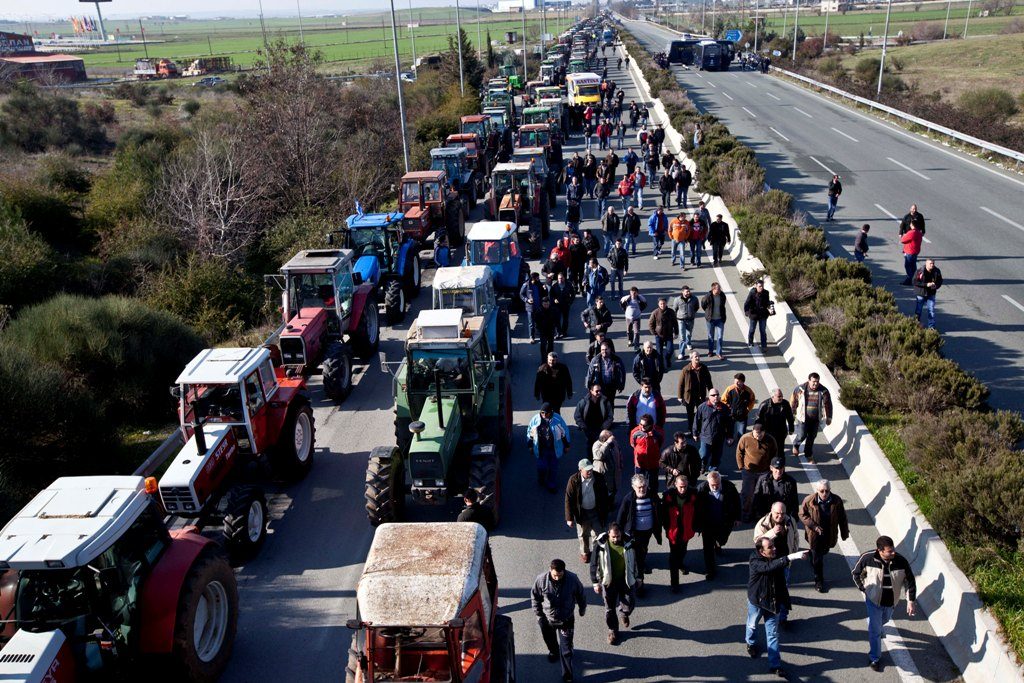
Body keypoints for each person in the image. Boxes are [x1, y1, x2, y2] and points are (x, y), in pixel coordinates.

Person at [852, 535, 918, 672]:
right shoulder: (867, 558)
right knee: (875, 631)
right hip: (873, 601)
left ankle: (874, 624)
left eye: (893, 549)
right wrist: (863, 588)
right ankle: (874, 658)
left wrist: (910, 601)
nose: (893, 552)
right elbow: (856, 573)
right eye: (889, 551)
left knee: (884, 620)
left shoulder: (901, 561)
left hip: (891, 602)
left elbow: (910, 581)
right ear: (880, 550)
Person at [746, 536, 808, 677]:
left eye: (773, 546)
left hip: (773, 602)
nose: (774, 549)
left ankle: (775, 665)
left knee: (773, 634)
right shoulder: (755, 561)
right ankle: (750, 642)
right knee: (752, 625)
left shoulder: (776, 556)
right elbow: (768, 567)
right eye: (770, 547)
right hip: (758, 602)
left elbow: (781, 573)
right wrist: (791, 557)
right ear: (761, 551)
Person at [531, 559, 587, 683]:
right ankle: (553, 651)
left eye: (560, 575)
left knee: (566, 650)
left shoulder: (572, 579)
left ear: (564, 571)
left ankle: (567, 675)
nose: (557, 578)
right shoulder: (541, 580)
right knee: (549, 639)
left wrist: (582, 609)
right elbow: (535, 597)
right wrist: (539, 615)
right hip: (547, 618)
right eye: (555, 575)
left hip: (566, 619)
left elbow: (581, 595)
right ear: (550, 570)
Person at [753, 501, 801, 626]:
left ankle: (783, 618)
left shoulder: (790, 521)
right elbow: (757, 543)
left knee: (783, 589)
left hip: (784, 562)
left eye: (783, 513)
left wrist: (793, 553)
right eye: (777, 514)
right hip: (769, 564)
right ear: (771, 511)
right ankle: (770, 613)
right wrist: (773, 532)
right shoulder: (763, 524)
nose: (780, 516)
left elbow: (795, 536)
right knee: (772, 590)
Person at [590, 523, 637, 646]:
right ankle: (613, 630)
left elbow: (638, 559)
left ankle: (624, 613)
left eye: (618, 536)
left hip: (626, 580)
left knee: (629, 601)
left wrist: (639, 576)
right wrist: (595, 582)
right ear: (609, 535)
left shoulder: (629, 542)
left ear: (621, 534)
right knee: (609, 609)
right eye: (613, 537)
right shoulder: (600, 545)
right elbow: (593, 563)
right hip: (608, 582)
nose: (616, 539)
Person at [799, 479, 850, 593]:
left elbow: (842, 518)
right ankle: (819, 580)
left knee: (824, 551)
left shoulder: (836, 501)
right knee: (818, 559)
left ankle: (813, 556)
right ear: (817, 490)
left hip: (829, 533)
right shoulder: (809, 500)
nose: (825, 494)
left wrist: (844, 532)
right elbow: (802, 514)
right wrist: (814, 526)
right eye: (822, 491)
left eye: (827, 491)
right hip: (815, 534)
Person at [694, 471, 741, 580]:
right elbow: (696, 508)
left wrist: (738, 518)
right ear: (708, 483)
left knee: (722, 539)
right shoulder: (701, 489)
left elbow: (737, 502)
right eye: (712, 485)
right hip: (708, 524)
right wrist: (697, 524)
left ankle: (718, 543)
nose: (715, 487)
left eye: (717, 484)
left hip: (724, 521)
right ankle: (710, 570)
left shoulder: (729, 487)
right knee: (707, 549)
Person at [616, 473, 662, 585]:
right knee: (636, 553)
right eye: (639, 487)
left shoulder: (652, 496)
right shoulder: (628, 499)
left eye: (644, 486)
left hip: (648, 531)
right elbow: (620, 517)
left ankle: (641, 563)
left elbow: (659, 511)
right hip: (634, 532)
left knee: (644, 548)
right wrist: (618, 532)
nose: (642, 489)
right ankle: (639, 577)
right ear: (633, 487)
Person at [566, 458, 610, 563]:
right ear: (581, 470)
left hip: (596, 511)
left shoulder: (599, 477)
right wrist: (569, 518)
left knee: (598, 533)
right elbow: (568, 499)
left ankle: (596, 552)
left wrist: (606, 510)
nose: (590, 472)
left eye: (591, 469)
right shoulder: (573, 480)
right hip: (582, 513)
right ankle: (585, 552)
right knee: (583, 534)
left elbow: (604, 495)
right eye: (587, 470)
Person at [661, 474, 698, 592]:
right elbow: (663, 513)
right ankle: (674, 584)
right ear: (675, 484)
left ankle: (680, 563)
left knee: (683, 550)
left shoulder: (693, 495)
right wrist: (666, 526)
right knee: (674, 556)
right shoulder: (668, 497)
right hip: (673, 531)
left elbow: (698, 510)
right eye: (681, 486)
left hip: (686, 529)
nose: (683, 489)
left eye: (685, 487)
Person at [736, 423, 778, 523]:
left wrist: (772, 469)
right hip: (748, 472)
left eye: (760, 434)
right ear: (753, 432)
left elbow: (774, 454)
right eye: (756, 434)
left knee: (763, 493)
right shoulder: (745, 438)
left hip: (764, 472)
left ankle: (759, 513)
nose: (758, 436)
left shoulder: (771, 440)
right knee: (747, 493)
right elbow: (739, 453)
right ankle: (746, 513)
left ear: (764, 432)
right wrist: (741, 467)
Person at [527, 403, 571, 493]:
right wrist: (530, 445)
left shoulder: (558, 419)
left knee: (553, 468)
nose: (544, 415)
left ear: (551, 412)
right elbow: (530, 434)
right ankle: (541, 477)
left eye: (546, 413)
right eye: (542, 413)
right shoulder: (535, 420)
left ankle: (551, 485)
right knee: (541, 467)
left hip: (554, 449)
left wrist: (567, 445)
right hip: (541, 449)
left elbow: (564, 433)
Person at [790, 373, 833, 464]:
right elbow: (794, 402)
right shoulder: (800, 389)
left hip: (815, 419)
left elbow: (828, 404)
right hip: (803, 418)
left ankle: (808, 454)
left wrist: (829, 417)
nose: (815, 384)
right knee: (802, 435)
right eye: (813, 382)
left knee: (812, 437)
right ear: (809, 380)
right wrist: (792, 415)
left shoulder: (824, 391)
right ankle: (796, 445)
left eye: (817, 382)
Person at [677, 350, 714, 436]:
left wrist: (711, 392)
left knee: (701, 413)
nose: (697, 358)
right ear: (691, 359)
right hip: (689, 397)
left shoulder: (704, 368)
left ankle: (701, 429)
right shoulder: (685, 369)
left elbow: (709, 381)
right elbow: (680, 384)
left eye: (698, 356)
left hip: (700, 396)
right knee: (690, 415)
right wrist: (680, 396)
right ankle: (691, 430)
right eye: (695, 356)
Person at [694, 387, 729, 472]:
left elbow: (729, 423)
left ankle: (713, 470)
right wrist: (695, 433)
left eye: (717, 395)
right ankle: (703, 464)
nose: (716, 396)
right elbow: (697, 420)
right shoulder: (702, 407)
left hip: (719, 437)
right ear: (709, 396)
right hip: (706, 437)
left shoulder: (724, 408)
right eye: (713, 395)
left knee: (716, 456)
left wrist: (730, 436)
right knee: (704, 454)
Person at [575, 383, 615, 453]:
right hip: (588, 429)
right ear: (591, 391)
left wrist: (604, 427)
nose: (599, 392)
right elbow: (577, 416)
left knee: (602, 447)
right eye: (597, 391)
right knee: (590, 447)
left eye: (600, 390)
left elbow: (610, 416)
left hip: (601, 429)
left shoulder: (605, 401)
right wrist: (584, 427)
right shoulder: (583, 402)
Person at [629, 414, 664, 492]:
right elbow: (632, 444)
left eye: (644, 425)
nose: (641, 427)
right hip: (640, 463)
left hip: (653, 463)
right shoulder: (635, 432)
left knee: (653, 484)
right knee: (639, 484)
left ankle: (653, 499)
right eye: (640, 424)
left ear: (650, 425)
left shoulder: (658, 433)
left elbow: (660, 443)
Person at [756, 389, 794, 460]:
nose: (781, 398)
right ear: (772, 396)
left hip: (781, 433)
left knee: (780, 452)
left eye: (782, 396)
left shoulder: (785, 404)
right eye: (779, 396)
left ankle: (780, 469)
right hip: (768, 433)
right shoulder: (764, 405)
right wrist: (758, 433)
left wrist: (791, 429)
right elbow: (758, 420)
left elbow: (790, 417)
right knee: (768, 451)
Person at [722, 372, 757, 446]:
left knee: (741, 432)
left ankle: (740, 442)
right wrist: (728, 407)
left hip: (743, 415)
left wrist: (748, 409)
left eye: (738, 382)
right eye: (735, 381)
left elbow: (752, 400)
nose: (736, 383)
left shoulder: (748, 391)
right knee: (729, 428)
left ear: (743, 382)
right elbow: (723, 400)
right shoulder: (729, 389)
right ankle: (730, 438)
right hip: (731, 414)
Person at [648, 297, 678, 371]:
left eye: (664, 303)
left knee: (670, 350)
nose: (662, 305)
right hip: (659, 336)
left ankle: (667, 359)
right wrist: (654, 333)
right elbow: (650, 323)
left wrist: (676, 332)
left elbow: (675, 322)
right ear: (658, 304)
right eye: (661, 304)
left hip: (669, 335)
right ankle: (661, 367)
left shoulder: (671, 312)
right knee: (659, 353)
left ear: (666, 303)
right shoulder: (655, 312)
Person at [592, 430, 621, 505]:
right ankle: (604, 507)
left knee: (614, 489)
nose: (613, 438)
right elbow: (599, 456)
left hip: (614, 472)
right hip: (603, 473)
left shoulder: (613, 442)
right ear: (605, 439)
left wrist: (620, 463)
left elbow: (619, 452)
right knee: (604, 491)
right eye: (611, 437)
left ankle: (611, 503)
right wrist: (607, 444)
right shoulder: (597, 445)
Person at [701, 282, 728, 360]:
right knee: (711, 336)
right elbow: (703, 305)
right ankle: (710, 351)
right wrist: (708, 313)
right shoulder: (707, 296)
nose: (720, 290)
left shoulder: (722, 295)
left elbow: (723, 305)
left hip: (720, 319)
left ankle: (719, 353)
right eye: (718, 288)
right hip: (711, 320)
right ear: (713, 289)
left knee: (720, 337)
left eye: (720, 288)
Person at [913, 258, 942, 329]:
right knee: (918, 310)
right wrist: (926, 285)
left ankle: (931, 327)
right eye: (930, 264)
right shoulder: (920, 271)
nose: (932, 265)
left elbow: (940, 280)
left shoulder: (936, 271)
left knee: (931, 310)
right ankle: (915, 324)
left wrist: (936, 286)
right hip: (921, 293)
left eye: (933, 263)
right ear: (926, 264)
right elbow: (914, 282)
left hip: (931, 294)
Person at [743, 280, 773, 351]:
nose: (761, 288)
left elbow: (766, 303)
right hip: (754, 315)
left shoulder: (766, 293)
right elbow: (746, 303)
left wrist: (770, 305)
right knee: (752, 329)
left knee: (762, 330)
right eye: (759, 286)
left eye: (762, 286)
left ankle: (764, 346)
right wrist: (747, 312)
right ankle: (750, 342)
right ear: (756, 286)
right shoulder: (752, 293)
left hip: (763, 315)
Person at [520, 272, 548, 343]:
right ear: (533, 279)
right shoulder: (526, 285)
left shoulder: (539, 284)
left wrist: (545, 289)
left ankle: (541, 334)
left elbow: (545, 294)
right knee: (531, 323)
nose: (539, 279)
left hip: (539, 306)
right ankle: (532, 337)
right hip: (530, 308)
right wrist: (527, 300)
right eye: (537, 278)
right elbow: (521, 294)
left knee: (540, 321)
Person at [672, 285, 699, 357]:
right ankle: (681, 352)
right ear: (682, 292)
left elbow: (696, 307)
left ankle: (688, 343)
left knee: (689, 334)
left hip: (690, 319)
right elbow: (674, 309)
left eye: (689, 291)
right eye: (687, 291)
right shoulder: (677, 299)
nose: (688, 293)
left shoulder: (694, 299)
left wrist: (691, 313)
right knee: (682, 337)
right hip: (681, 320)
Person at [620, 286, 648, 350]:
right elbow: (621, 304)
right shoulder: (626, 298)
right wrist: (625, 310)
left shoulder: (641, 298)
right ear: (630, 293)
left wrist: (640, 311)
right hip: (628, 317)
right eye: (632, 293)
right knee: (629, 330)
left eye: (634, 293)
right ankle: (630, 340)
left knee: (637, 331)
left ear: (637, 293)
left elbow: (645, 304)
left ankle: (636, 344)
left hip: (637, 317)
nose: (633, 294)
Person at [550, 272, 575, 339]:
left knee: (565, 319)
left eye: (561, 278)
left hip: (565, 304)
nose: (560, 280)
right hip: (557, 305)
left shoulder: (569, 285)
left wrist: (570, 302)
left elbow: (573, 294)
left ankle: (564, 332)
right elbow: (551, 294)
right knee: (557, 319)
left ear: (564, 278)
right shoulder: (554, 285)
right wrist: (554, 299)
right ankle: (558, 333)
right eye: (559, 278)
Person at [535, 298, 559, 363]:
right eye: (545, 304)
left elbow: (556, 320)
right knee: (543, 345)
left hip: (550, 330)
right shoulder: (539, 311)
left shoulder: (553, 310)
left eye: (547, 304)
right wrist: (538, 329)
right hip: (542, 331)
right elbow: (536, 321)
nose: (546, 306)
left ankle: (550, 359)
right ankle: (543, 360)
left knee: (550, 346)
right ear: (542, 304)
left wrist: (556, 329)